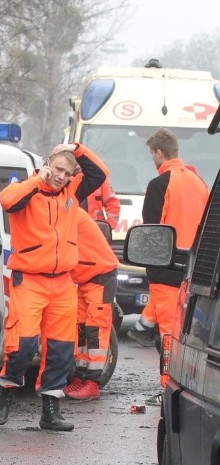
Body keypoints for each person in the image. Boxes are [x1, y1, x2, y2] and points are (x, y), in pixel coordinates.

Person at [0, 141, 107, 431]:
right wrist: (36, 180)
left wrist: (75, 147)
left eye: (67, 173)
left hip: (63, 283)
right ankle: (5, 393)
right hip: (29, 281)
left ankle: (50, 410)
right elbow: (7, 201)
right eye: (57, 169)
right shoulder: (26, 190)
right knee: (23, 345)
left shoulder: (70, 193)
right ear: (46, 165)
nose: (62, 177)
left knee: (61, 350)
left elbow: (99, 173)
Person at [129, 127, 209, 403]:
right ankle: (141, 324)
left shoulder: (160, 184)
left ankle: (167, 392)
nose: (152, 159)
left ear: (159, 153)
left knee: (166, 338)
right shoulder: (199, 183)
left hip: (166, 270)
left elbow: (151, 232)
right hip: (195, 271)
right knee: (183, 337)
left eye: (152, 154)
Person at [62, 209, 119, 401]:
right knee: (81, 330)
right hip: (85, 277)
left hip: (99, 275)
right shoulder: (64, 210)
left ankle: (92, 383)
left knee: (95, 331)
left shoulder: (66, 212)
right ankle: (80, 376)